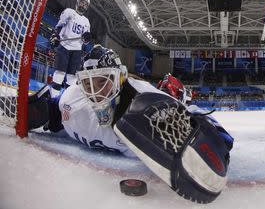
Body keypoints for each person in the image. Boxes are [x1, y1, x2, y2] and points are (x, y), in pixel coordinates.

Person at [27, 45, 233, 204]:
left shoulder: (148, 101)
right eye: (87, 84)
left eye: (101, 81)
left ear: (120, 78)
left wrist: (218, 136)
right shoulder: (71, 101)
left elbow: (193, 116)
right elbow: (51, 112)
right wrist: (35, 112)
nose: (94, 92)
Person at [49, 0, 92, 97]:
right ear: (77, 2)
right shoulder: (68, 12)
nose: (83, 5)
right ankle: (53, 97)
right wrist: (55, 35)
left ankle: (66, 100)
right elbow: (59, 26)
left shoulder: (86, 22)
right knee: (60, 73)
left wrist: (87, 39)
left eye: (86, 4)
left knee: (72, 77)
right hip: (64, 46)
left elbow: (85, 40)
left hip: (77, 50)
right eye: (82, 2)